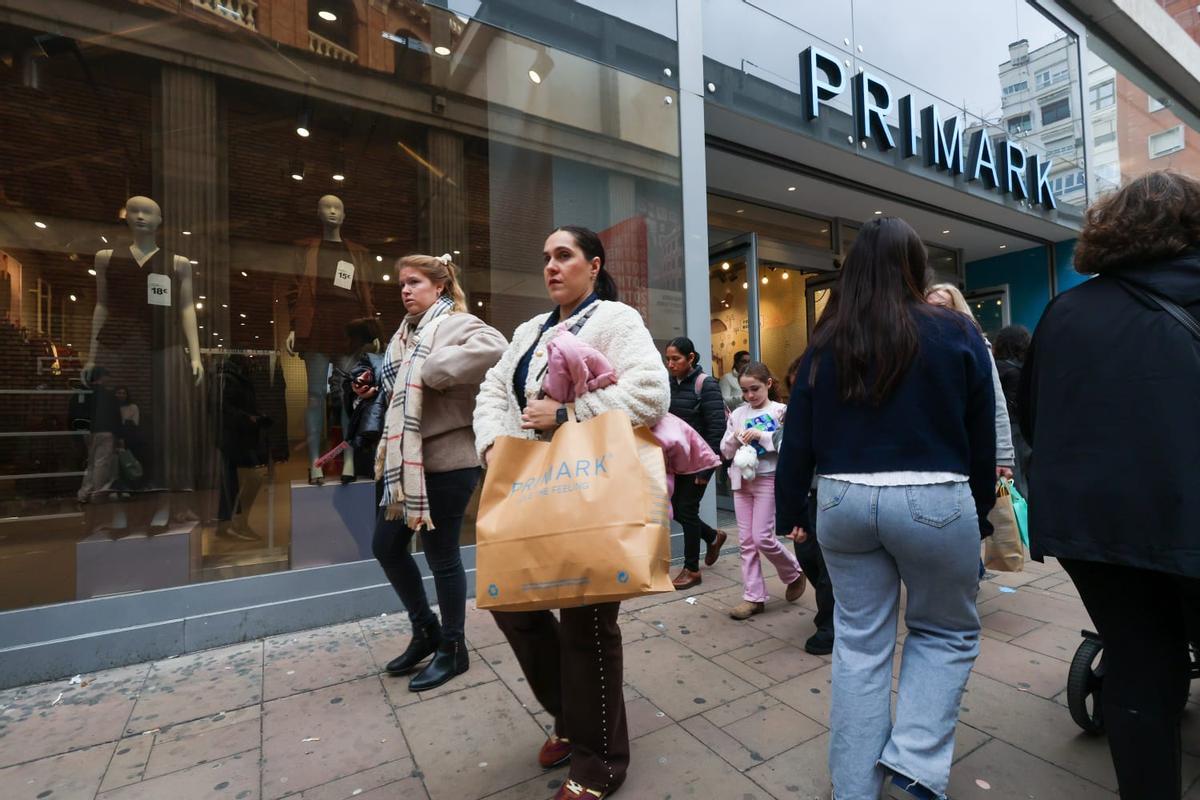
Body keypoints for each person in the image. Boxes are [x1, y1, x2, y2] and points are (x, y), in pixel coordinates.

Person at [776, 217, 996, 800]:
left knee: (860, 642)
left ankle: (854, 787)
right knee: (944, 633)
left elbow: (797, 434)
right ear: (917, 268)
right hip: (935, 496)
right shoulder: (955, 332)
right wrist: (978, 507)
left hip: (843, 498)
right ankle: (917, 765)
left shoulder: (828, 339)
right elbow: (981, 432)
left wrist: (788, 508)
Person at [1018, 171, 1200, 800]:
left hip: (1090, 528)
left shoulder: (1065, 311)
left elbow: (1033, 417)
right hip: (1186, 517)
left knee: (1138, 663)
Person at [473, 225, 670, 800]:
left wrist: (566, 416)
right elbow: (492, 389)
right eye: (546, 257)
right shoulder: (530, 330)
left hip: (589, 488)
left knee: (587, 627)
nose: (552, 266)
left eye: (564, 256)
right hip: (527, 487)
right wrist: (493, 444)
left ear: (593, 264)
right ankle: (571, 714)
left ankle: (600, 762)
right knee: (510, 604)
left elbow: (651, 392)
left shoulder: (615, 319)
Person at [369, 254, 506, 693]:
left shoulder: (456, 323)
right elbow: (401, 389)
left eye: (414, 282)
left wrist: (437, 371)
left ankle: (453, 647)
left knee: (440, 553)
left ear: (440, 287)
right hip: (404, 461)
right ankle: (425, 628)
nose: (406, 290)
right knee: (386, 546)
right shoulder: (403, 334)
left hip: (449, 459)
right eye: (401, 284)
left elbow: (497, 348)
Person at [718, 361, 806, 620]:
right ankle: (753, 597)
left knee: (762, 537)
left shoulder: (782, 411)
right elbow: (724, 451)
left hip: (768, 479)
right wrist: (735, 438)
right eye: (745, 391)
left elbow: (790, 447)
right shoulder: (737, 414)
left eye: (754, 389)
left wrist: (761, 436)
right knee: (746, 542)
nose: (749, 396)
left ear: (768, 384)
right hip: (741, 481)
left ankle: (793, 571)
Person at [924, 283, 1016, 481]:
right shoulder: (919, 345)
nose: (933, 313)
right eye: (927, 306)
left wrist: (1003, 456)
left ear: (957, 309)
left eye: (941, 306)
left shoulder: (977, 345)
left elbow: (996, 402)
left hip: (971, 446)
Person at [780, 355, 836, 655]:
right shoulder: (795, 417)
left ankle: (829, 624)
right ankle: (834, 612)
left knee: (829, 565)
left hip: (834, 494)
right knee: (807, 556)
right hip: (808, 496)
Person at [663, 335, 727, 589]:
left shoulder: (706, 384)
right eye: (667, 359)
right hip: (676, 459)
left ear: (691, 358)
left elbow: (716, 428)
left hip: (700, 461)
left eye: (676, 359)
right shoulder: (668, 384)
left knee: (686, 510)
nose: (670, 364)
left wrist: (706, 468)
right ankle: (713, 537)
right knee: (678, 509)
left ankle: (691, 569)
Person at [991, 325, 1031, 496]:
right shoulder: (1029, 368)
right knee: (1026, 478)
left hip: (1008, 431)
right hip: (1027, 430)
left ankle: (1017, 519)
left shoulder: (999, 368)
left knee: (1014, 482)